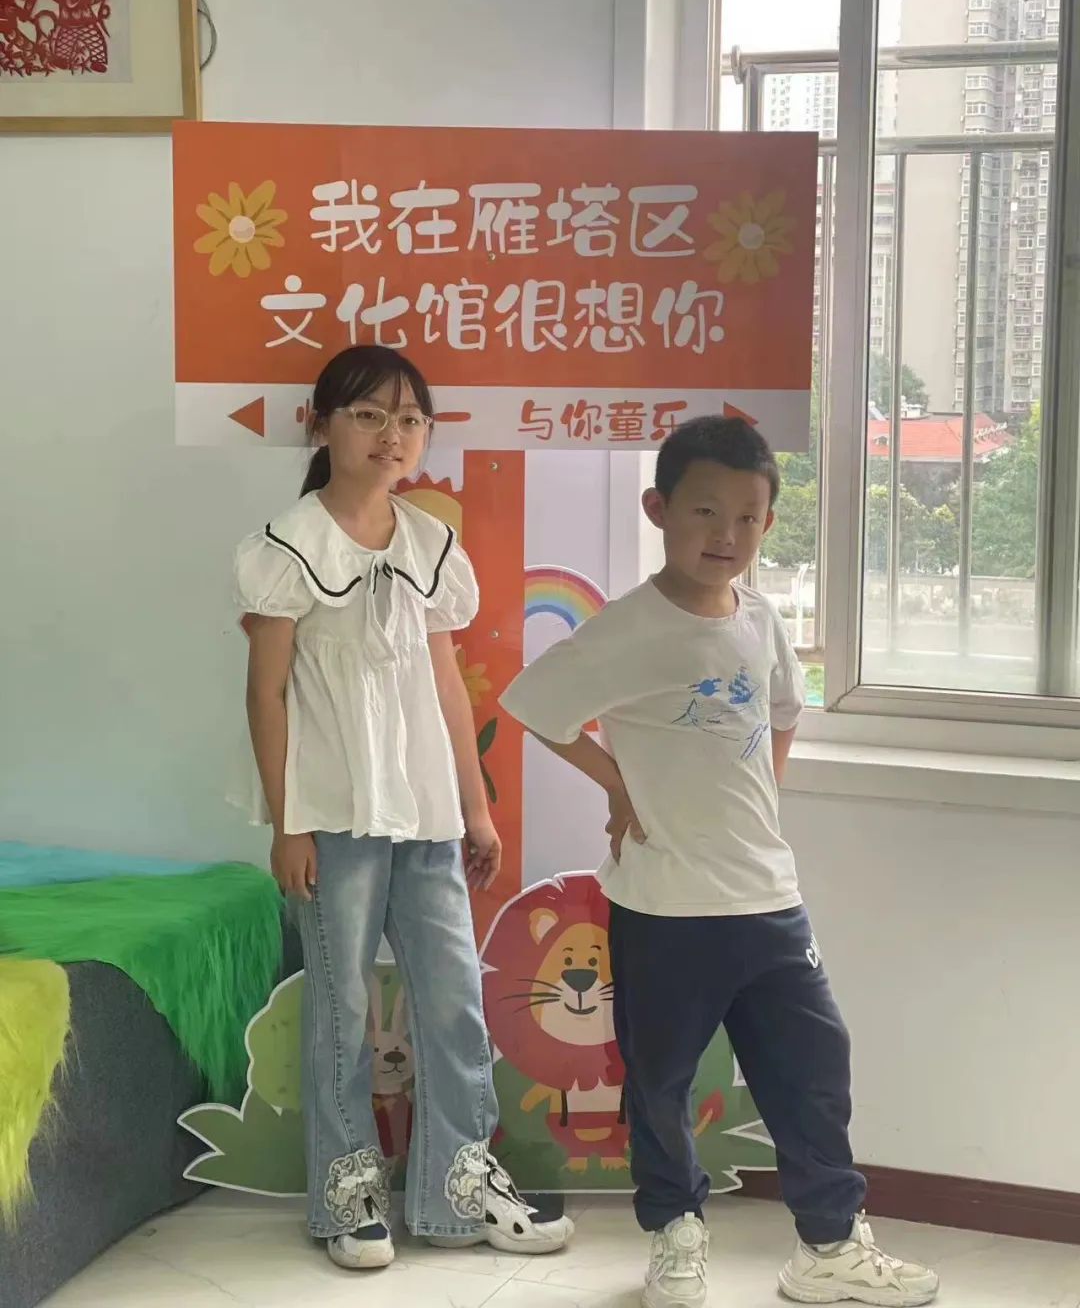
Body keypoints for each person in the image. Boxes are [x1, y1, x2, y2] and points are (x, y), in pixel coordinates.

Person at [500, 417, 939, 1308]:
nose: (726, 535)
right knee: (660, 1083)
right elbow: (534, 703)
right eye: (705, 511)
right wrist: (618, 785)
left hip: (767, 900)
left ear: (768, 524)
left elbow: (783, 714)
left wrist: (758, 809)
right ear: (658, 508)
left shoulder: (762, 619)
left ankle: (828, 1247)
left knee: (814, 1068)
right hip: (664, 907)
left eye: (747, 517)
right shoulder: (627, 630)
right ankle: (675, 1234)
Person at [236, 344, 573, 1271]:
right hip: (334, 813)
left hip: (424, 812)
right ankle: (347, 1193)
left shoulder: (430, 544)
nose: (394, 435)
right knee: (342, 1006)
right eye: (370, 415)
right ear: (322, 425)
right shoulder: (287, 547)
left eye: (411, 419)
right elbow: (266, 694)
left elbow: (446, 687)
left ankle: (458, 1187)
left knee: (454, 997)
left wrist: (477, 808)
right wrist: (287, 823)